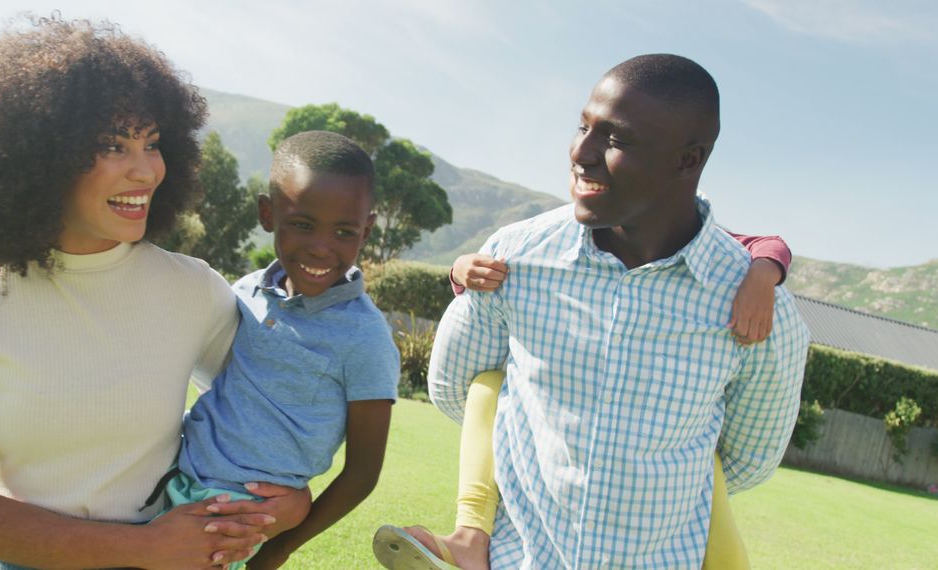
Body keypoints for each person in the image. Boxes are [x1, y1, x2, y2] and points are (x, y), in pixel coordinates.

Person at [0, 17, 310, 569]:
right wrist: (144, 548)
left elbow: (274, 405)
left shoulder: (192, 288)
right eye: (112, 145)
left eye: (152, 142)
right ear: (37, 156)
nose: (146, 170)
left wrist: (286, 498)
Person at [389, 54, 810, 569]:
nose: (580, 153)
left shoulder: (759, 308)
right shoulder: (512, 258)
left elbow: (746, 461)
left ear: (688, 160)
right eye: (584, 127)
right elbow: (458, 386)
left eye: (616, 140)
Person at [375, 231, 789, 570]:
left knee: (706, 455)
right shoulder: (559, 246)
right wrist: (459, 270)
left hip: (672, 456)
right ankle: (468, 537)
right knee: (489, 384)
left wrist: (762, 274)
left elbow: (771, 244)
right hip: (553, 436)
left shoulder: (703, 249)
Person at [148, 130, 399, 569]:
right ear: (268, 213)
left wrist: (282, 545)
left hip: (236, 518)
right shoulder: (244, 293)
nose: (322, 247)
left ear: (367, 229)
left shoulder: (366, 338)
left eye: (345, 231)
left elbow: (362, 473)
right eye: (302, 224)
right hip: (162, 483)